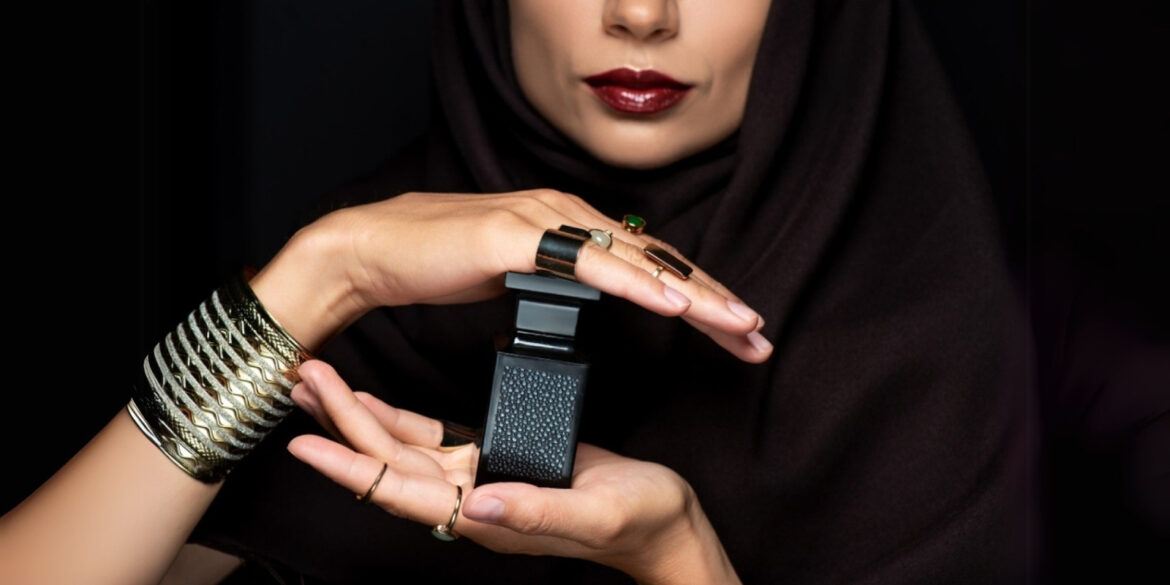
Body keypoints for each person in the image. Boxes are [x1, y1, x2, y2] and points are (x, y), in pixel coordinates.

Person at [0, 1, 1036, 584]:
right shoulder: (363, 286)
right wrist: (324, 274)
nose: (641, 14)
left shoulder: (933, 325)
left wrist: (674, 552)